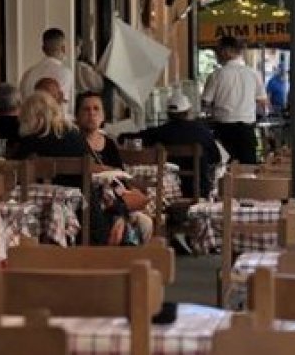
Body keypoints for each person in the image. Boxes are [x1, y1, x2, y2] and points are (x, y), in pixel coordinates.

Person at [75, 91, 153, 244]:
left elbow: (120, 176)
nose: (92, 113)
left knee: (146, 222)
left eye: (96, 109)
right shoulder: (75, 142)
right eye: (86, 109)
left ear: (103, 116)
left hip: (116, 198)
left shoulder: (109, 144)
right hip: (92, 202)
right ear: (77, 116)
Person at [120, 91, 221, 199]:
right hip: (200, 189)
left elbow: (128, 137)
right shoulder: (203, 131)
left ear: (168, 114)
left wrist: (119, 136)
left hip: (169, 190)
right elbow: (216, 158)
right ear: (188, 111)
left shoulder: (160, 132)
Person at [201, 35, 267, 164]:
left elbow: (205, 102)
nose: (217, 55)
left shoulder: (217, 75)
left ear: (226, 51)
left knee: (225, 168)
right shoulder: (253, 74)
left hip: (224, 129)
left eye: (218, 51)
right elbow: (263, 102)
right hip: (246, 130)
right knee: (248, 168)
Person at [14, 91, 89, 187]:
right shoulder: (75, 134)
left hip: (41, 197)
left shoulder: (32, 140)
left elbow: (15, 169)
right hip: (77, 195)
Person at [19, 28, 74, 110]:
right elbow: (62, 107)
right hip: (54, 120)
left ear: (43, 49)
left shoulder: (28, 74)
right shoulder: (65, 73)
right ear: (63, 49)